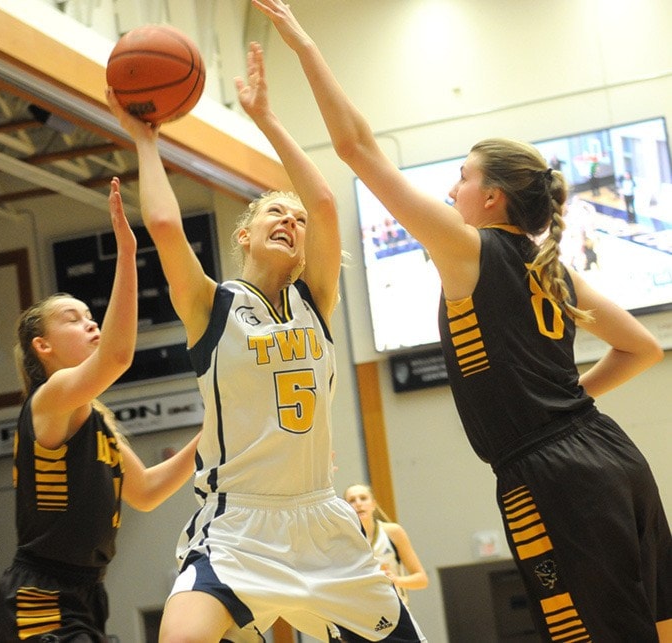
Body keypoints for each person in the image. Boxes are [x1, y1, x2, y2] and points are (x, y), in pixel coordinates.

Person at [252, 2, 672, 641]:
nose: (452, 192)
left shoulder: (472, 248)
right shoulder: (551, 266)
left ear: (493, 197)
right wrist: (564, 400)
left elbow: (356, 147)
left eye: (462, 177)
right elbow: (642, 348)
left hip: (550, 474)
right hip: (613, 455)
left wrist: (302, 42)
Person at [106, 39, 426, 643]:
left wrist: (266, 119)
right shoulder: (213, 306)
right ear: (245, 236)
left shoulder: (315, 301)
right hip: (238, 525)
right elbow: (169, 227)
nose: (292, 221)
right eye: (276, 214)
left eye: (297, 220)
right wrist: (146, 141)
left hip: (323, 522)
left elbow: (326, 200)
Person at [0, 177, 202, 643]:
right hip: (39, 598)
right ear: (42, 346)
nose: (90, 324)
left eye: (91, 316)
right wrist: (128, 254)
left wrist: (215, 434)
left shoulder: (96, 417)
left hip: (86, 592)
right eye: (74, 319)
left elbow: (145, 491)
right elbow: (118, 357)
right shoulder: (48, 399)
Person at [344, 484, 429, 605]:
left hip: (397, 612)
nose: (358, 503)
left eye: (363, 498)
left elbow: (421, 580)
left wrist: (396, 580)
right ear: (346, 508)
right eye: (352, 500)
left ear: (373, 504)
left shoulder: (393, 532)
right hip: (364, 615)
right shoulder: (343, 540)